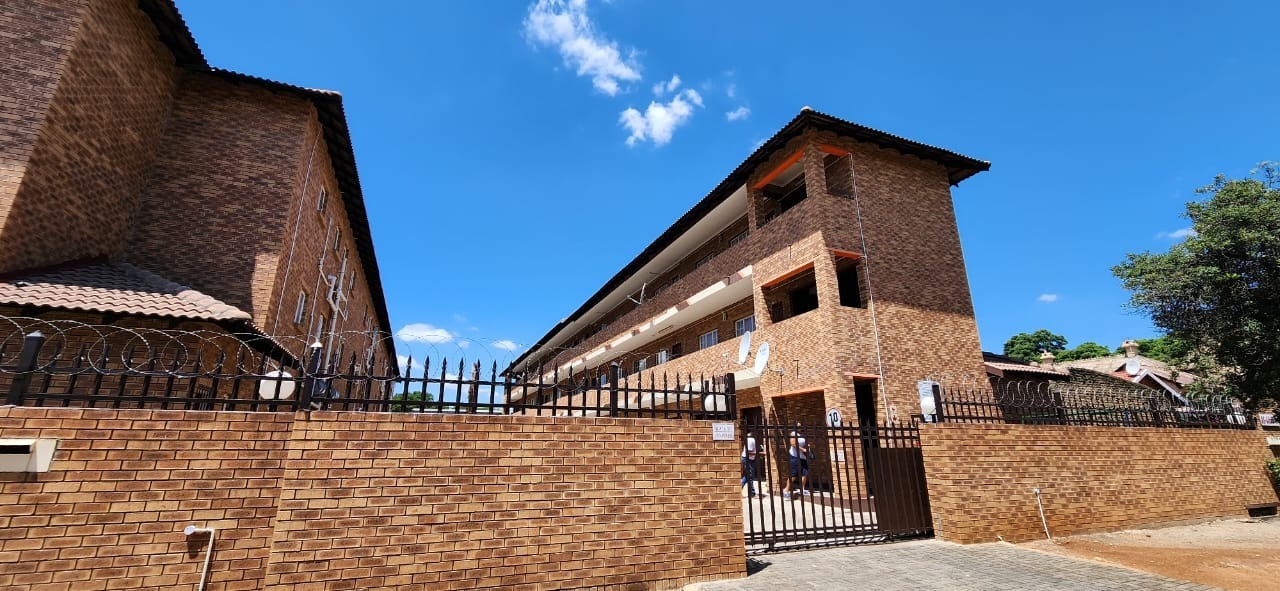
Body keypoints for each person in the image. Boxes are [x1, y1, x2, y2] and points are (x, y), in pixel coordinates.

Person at [783, 423, 810, 499]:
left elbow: (805, 443)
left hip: (803, 457)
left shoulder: (802, 434)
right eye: (798, 426)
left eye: (800, 426)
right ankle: (786, 490)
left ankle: (802, 489)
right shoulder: (793, 433)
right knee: (794, 474)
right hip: (794, 457)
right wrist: (803, 449)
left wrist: (807, 446)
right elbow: (793, 444)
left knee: (804, 473)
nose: (799, 427)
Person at [741, 430, 760, 498]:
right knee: (750, 476)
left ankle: (738, 490)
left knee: (747, 476)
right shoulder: (750, 440)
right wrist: (760, 453)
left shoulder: (750, 439)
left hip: (748, 459)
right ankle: (752, 494)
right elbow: (748, 452)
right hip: (748, 459)